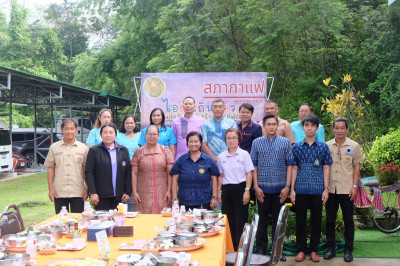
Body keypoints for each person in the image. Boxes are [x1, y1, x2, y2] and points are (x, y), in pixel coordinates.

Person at [250, 115, 295, 258]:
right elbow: (254, 166)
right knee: (262, 221)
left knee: (278, 221)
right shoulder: (256, 143)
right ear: (264, 126)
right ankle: (261, 250)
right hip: (261, 190)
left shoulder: (285, 142)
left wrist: (287, 186)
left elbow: (290, 165)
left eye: (274, 124)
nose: (271, 127)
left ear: (277, 126)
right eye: (268, 124)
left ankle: (277, 250)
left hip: (280, 190)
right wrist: (256, 187)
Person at [290, 115, 333, 263]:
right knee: (300, 221)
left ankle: (314, 250)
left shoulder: (323, 147)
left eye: (312, 125)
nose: (309, 128)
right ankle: (301, 250)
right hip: (300, 189)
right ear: (303, 127)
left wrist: (326, 188)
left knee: (316, 221)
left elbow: (326, 167)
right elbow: (294, 168)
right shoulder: (296, 147)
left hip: (317, 189)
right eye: (306, 125)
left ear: (316, 128)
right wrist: (292, 189)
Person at [324, 117, 363, 262]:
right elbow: (324, 167)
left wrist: (354, 186)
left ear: (347, 129)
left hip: (347, 189)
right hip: (331, 189)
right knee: (330, 220)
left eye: (342, 128)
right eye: (337, 128)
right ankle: (330, 249)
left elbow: (356, 166)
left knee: (348, 221)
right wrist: (325, 188)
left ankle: (348, 250)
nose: (339, 130)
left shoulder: (354, 145)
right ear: (333, 129)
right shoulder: (327, 146)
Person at [217, 128, 253, 250]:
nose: (231, 140)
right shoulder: (222, 156)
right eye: (228, 138)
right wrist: (219, 191)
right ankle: (230, 249)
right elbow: (221, 175)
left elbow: (249, 173)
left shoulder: (244, 154)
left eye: (234, 138)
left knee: (240, 220)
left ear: (239, 140)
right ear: (225, 140)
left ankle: (240, 249)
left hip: (241, 188)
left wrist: (247, 190)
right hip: (227, 189)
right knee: (228, 219)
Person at [44, 119, 89, 214]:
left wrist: (87, 188)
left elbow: (85, 170)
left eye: (72, 129)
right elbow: (51, 168)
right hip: (59, 191)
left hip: (78, 191)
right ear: (62, 130)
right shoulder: (54, 147)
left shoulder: (83, 148)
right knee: (61, 221)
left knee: (77, 220)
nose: (69, 131)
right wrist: (51, 188)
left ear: (76, 131)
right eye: (66, 129)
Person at [85, 124, 131, 210]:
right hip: (101, 196)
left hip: (120, 195)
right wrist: (93, 192)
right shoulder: (94, 150)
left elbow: (128, 172)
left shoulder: (123, 150)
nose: (108, 135)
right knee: (102, 221)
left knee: (119, 221)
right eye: (105, 132)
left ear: (115, 134)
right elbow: (89, 172)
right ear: (101, 135)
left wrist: (128, 191)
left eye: (111, 132)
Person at [170, 131, 219, 211]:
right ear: (187, 143)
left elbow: (214, 179)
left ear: (200, 143)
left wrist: (214, 197)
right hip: (184, 201)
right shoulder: (181, 160)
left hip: (204, 201)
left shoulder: (208, 160)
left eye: (196, 141)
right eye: (191, 141)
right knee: (186, 223)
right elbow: (174, 179)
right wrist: (175, 198)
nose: (193, 144)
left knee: (204, 223)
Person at [132, 125, 174, 214]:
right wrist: (134, 192)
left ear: (158, 136)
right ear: (145, 136)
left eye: (154, 134)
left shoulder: (166, 151)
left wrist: (169, 191)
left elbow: (170, 173)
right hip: (143, 193)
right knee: (144, 219)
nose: (152, 136)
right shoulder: (138, 152)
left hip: (163, 193)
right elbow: (134, 173)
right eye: (149, 134)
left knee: (163, 219)